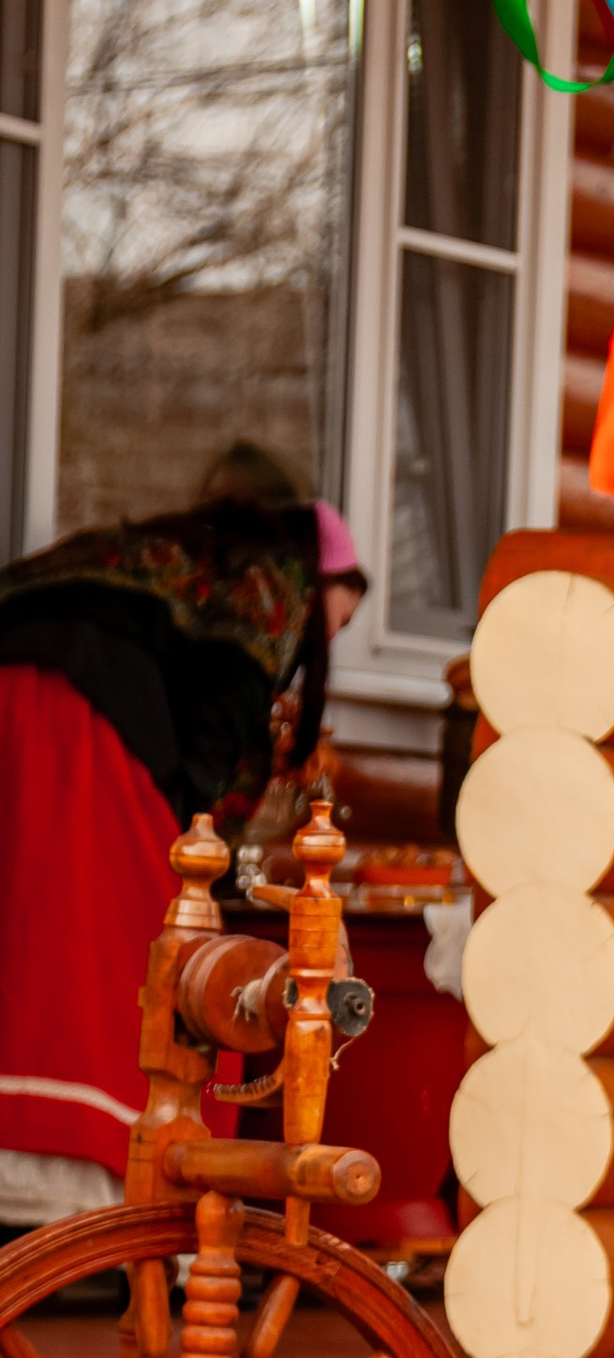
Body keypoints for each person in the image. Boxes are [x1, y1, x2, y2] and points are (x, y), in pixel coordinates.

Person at [0, 494, 364, 1228]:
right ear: (328, 583)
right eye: (345, 617)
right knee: (147, 945)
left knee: (23, 929)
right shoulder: (276, 583)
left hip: (17, 686)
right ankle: (92, 1185)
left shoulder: (178, 555)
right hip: (69, 714)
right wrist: (201, 841)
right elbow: (225, 713)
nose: (331, 634)